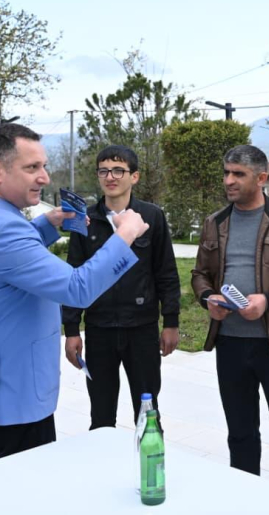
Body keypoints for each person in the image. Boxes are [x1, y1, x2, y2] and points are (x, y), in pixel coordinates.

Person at [0, 123, 149, 466]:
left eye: (44, 166)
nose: (44, 177)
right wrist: (125, 235)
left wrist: (46, 223)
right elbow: (77, 288)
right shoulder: (5, 230)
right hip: (14, 396)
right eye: (32, 167)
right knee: (25, 487)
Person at [191, 145, 269, 490]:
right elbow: (200, 274)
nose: (228, 180)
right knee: (240, 434)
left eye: (238, 174)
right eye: (226, 172)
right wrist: (208, 298)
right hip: (230, 343)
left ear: (261, 178)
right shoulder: (215, 222)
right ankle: (246, 500)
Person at [61, 145, 181, 429]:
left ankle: (151, 458)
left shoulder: (151, 216)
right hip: (99, 329)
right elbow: (73, 275)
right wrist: (71, 329)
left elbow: (166, 272)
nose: (110, 177)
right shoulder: (85, 220)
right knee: (101, 415)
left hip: (142, 329)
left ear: (134, 176)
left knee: (148, 412)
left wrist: (171, 322)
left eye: (118, 170)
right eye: (103, 171)